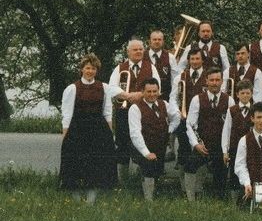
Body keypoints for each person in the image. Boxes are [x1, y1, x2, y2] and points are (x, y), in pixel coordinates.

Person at [60, 54, 124, 204]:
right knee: (76, 163)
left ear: (97, 70)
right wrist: (65, 137)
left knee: (95, 164)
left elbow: (107, 113)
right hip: (77, 129)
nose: (90, 71)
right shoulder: (72, 88)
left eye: (93, 68)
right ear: (82, 69)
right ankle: (75, 196)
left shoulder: (104, 87)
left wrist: (110, 135)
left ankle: (91, 197)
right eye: (87, 68)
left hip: (97, 129)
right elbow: (67, 115)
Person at [109, 39, 160, 182]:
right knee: (122, 143)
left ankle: (144, 176)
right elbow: (112, 88)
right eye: (135, 49)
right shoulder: (120, 68)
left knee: (146, 140)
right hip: (123, 112)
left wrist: (140, 95)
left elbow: (157, 87)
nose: (138, 52)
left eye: (140, 49)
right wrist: (127, 95)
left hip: (144, 111)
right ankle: (123, 180)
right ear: (128, 52)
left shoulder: (151, 67)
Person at [184, 67, 235, 201]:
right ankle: (190, 197)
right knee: (190, 164)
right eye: (211, 80)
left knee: (222, 172)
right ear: (206, 81)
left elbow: (231, 127)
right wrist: (196, 145)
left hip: (220, 147)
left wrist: (226, 149)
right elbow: (190, 125)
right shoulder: (197, 99)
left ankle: (219, 198)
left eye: (217, 80)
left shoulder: (229, 100)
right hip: (203, 145)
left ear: (222, 81)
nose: (214, 83)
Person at [128, 78, 181, 201]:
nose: (152, 94)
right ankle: (148, 200)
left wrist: (169, 130)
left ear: (159, 91)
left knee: (157, 171)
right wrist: (146, 153)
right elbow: (135, 134)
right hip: (141, 146)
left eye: (155, 91)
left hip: (159, 145)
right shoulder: (135, 108)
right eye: (149, 91)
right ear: (142, 92)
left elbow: (176, 117)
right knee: (149, 166)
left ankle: (151, 189)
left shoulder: (164, 104)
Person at [169, 47, 206, 178]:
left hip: (203, 120)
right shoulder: (180, 76)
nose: (195, 62)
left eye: (197, 58)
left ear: (202, 60)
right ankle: (183, 185)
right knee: (183, 150)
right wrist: (178, 113)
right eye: (192, 59)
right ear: (188, 60)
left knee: (201, 151)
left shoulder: (209, 76)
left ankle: (198, 184)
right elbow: (173, 98)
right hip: (183, 119)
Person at [221, 80, 256, 201]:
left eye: (247, 93)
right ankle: (235, 201)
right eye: (242, 93)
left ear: (251, 94)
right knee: (235, 174)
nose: (245, 96)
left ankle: (251, 198)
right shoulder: (232, 110)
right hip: (235, 148)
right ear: (237, 94)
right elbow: (227, 130)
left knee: (252, 171)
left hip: (252, 147)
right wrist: (225, 151)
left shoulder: (256, 109)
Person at [147, 29, 179, 101]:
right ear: (149, 41)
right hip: (145, 99)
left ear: (163, 42)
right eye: (154, 39)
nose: (157, 41)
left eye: (159, 39)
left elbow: (175, 80)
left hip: (164, 99)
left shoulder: (170, 57)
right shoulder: (142, 57)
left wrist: (173, 99)